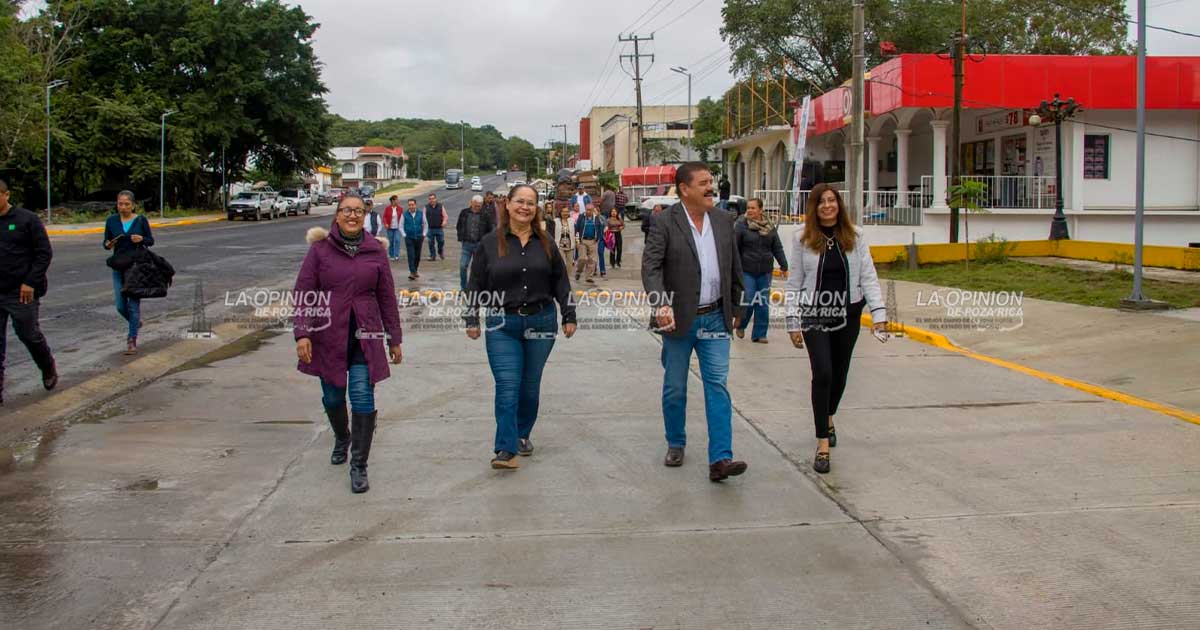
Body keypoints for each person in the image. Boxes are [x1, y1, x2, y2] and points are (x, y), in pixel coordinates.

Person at [642, 162, 747, 483]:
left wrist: (738, 306)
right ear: (684, 188)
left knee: (717, 385)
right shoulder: (663, 222)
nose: (709, 187)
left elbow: (733, 266)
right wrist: (660, 303)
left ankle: (721, 459)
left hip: (715, 316)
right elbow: (651, 267)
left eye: (711, 181)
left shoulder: (724, 220)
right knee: (675, 387)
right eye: (703, 182)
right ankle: (676, 441)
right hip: (677, 320)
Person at [294, 193, 402, 493]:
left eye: (358, 211)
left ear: (365, 215)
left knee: (363, 398)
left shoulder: (375, 251)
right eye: (346, 211)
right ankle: (342, 437)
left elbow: (386, 298)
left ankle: (359, 466)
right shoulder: (320, 250)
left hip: (365, 336)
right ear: (337, 215)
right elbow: (303, 293)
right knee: (332, 398)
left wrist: (394, 338)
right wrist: (302, 332)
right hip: (327, 335)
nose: (353, 215)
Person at [465, 184, 576, 470]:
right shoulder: (490, 243)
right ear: (508, 205)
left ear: (536, 208)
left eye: (530, 203)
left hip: (541, 322)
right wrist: (471, 317)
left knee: (529, 386)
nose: (525, 207)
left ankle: (522, 433)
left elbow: (561, 282)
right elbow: (475, 283)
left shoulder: (547, 243)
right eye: (519, 202)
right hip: (502, 324)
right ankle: (506, 448)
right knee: (507, 385)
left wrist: (569, 315)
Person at [784, 184, 887, 475]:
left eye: (832, 201)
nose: (827, 206)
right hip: (814, 313)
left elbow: (868, 276)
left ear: (839, 205)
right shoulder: (802, 238)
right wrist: (792, 320)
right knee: (824, 373)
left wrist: (879, 314)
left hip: (848, 314)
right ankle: (822, 444)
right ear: (814, 208)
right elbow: (794, 282)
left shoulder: (855, 236)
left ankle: (828, 417)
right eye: (821, 202)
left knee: (840, 377)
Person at [0, 178, 56, 404]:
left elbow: (44, 254)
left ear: (6, 195)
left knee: (28, 334)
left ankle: (47, 366)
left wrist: (30, 282)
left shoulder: (27, 220)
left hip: (22, 291)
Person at [103, 191, 155, 354]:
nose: (123, 207)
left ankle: (132, 338)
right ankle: (135, 322)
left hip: (136, 267)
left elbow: (150, 240)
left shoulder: (140, 220)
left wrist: (142, 239)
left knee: (133, 305)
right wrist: (108, 244)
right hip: (118, 266)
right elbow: (105, 242)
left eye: (126, 204)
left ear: (133, 205)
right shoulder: (111, 221)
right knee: (120, 305)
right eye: (120, 203)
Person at [734, 198, 788, 343]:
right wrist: (735, 267)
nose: (750, 211)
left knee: (763, 304)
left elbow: (777, 247)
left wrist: (784, 265)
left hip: (765, 271)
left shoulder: (769, 227)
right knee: (749, 300)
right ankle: (742, 325)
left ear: (760, 210)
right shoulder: (741, 226)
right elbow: (734, 248)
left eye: (753, 208)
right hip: (747, 270)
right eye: (748, 208)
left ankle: (759, 334)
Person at [455, 194, 496, 291]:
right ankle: (463, 287)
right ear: (471, 203)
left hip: (479, 246)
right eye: (475, 205)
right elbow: (459, 225)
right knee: (463, 266)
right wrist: (461, 236)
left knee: (479, 269)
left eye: (479, 206)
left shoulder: (485, 215)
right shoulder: (464, 213)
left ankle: (477, 288)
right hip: (466, 245)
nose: (477, 207)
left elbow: (490, 230)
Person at [573, 203, 603, 284]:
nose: (588, 211)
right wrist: (577, 241)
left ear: (593, 210)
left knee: (592, 260)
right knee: (583, 258)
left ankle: (588, 277)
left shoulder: (596, 218)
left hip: (593, 241)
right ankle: (578, 272)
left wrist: (598, 238)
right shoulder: (581, 217)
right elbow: (577, 229)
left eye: (590, 210)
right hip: (583, 240)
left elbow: (600, 228)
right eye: (587, 210)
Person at [399, 198, 426, 281]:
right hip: (409, 238)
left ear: (415, 205)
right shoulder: (404, 215)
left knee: (417, 256)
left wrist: (424, 234)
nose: (411, 206)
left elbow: (425, 224)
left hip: (419, 237)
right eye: (410, 205)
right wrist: (404, 235)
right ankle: (412, 272)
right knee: (411, 255)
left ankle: (415, 270)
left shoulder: (421, 214)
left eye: (412, 204)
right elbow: (401, 226)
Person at [424, 193, 448, 261]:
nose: (432, 200)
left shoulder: (440, 206)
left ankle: (440, 252)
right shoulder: (426, 207)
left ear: (436, 199)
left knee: (441, 241)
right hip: (430, 228)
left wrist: (444, 222)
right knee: (430, 243)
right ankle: (432, 256)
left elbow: (445, 216)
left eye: (433, 198)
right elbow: (423, 218)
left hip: (439, 228)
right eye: (430, 199)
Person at [382, 195, 403, 261]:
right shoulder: (387, 208)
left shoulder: (400, 208)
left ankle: (396, 255)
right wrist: (385, 224)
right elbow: (384, 217)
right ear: (393, 201)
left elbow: (402, 218)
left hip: (397, 227)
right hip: (390, 228)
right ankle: (391, 255)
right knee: (390, 241)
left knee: (397, 240)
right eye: (396, 199)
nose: (397, 201)